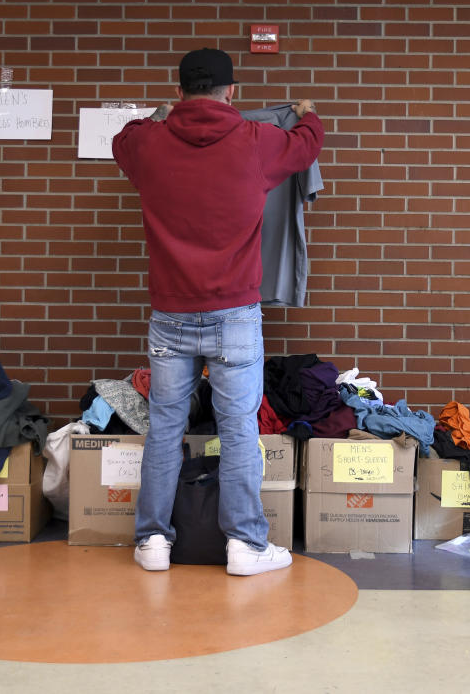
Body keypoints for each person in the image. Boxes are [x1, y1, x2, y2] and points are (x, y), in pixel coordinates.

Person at [112, 47, 323, 576]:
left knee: (164, 427)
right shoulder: (258, 142)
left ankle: (153, 542)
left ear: (179, 90)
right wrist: (308, 112)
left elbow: (123, 137)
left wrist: (159, 115)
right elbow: (306, 145)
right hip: (235, 315)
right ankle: (246, 546)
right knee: (237, 431)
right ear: (233, 91)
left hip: (169, 315)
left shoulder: (150, 144)